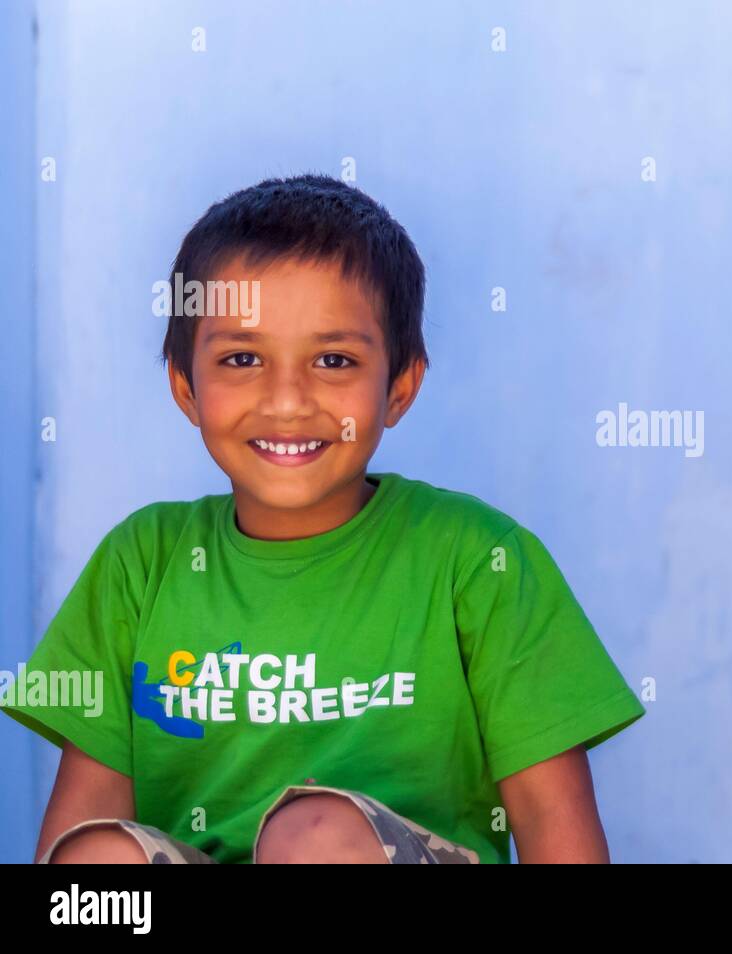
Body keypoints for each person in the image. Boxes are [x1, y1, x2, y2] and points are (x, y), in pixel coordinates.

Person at [0, 174, 645, 864]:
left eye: (333, 360)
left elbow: (555, 823)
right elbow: (76, 838)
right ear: (186, 386)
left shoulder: (479, 560)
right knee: (99, 861)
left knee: (314, 840)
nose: (286, 401)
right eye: (242, 359)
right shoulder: (141, 562)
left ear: (399, 386)